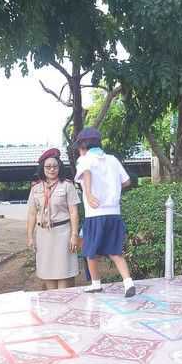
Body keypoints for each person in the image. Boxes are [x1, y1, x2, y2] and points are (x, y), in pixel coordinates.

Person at [74, 127, 136, 297]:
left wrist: (88, 193)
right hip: (114, 212)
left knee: (90, 251)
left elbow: (86, 173)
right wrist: (112, 188)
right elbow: (126, 181)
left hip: (95, 213)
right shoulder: (112, 159)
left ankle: (96, 283)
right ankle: (128, 282)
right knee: (115, 251)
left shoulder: (84, 159)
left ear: (83, 146)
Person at [26, 148, 81, 290]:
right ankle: (53, 302)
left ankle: (64, 299)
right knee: (47, 272)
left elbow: (74, 212)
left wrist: (74, 235)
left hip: (63, 233)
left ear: (59, 168)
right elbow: (32, 213)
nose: (52, 169)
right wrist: (30, 236)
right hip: (44, 234)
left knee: (64, 272)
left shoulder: (67, 186)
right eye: (48, 167)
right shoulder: (36, 188)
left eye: (55, 166)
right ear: (42, 168)